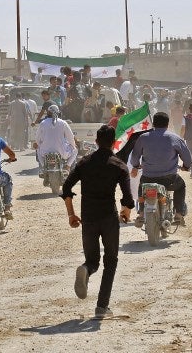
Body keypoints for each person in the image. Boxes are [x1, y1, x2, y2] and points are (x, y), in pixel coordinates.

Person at [62, 125, 133, 319]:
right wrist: (125, 211)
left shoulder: (84, 163)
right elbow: (127, 197)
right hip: (109, 219)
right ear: (113, 142)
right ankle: (102, 307)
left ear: (96, 142)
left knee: (92, 260)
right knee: (111, 262)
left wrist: (71, 214)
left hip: (88, 219)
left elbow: (66, 187)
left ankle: (85, 269)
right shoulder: (118, 165)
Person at [131, 112, 192, 226]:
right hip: (169, 180)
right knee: (181, 186)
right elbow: (187, 158)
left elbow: (135, 157)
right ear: (167, 124)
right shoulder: (175, 138)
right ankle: (178, 215)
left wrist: (136, 165)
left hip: (148, 178)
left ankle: (141, 215)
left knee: (142, 186)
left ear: (153, 123)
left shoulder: (143, 137)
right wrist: (186, 167)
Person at [35, 105, 78, 178]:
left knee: (38, 149)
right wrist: (73, 145)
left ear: (48, 113)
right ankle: (67, 167)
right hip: (62, 152)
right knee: (75, 150)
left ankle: (43, 167)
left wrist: (38, 144)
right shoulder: (63, 123)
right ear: (58, 113)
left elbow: (37, 139)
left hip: (45, 152)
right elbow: (70, 138)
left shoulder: (43, 123)